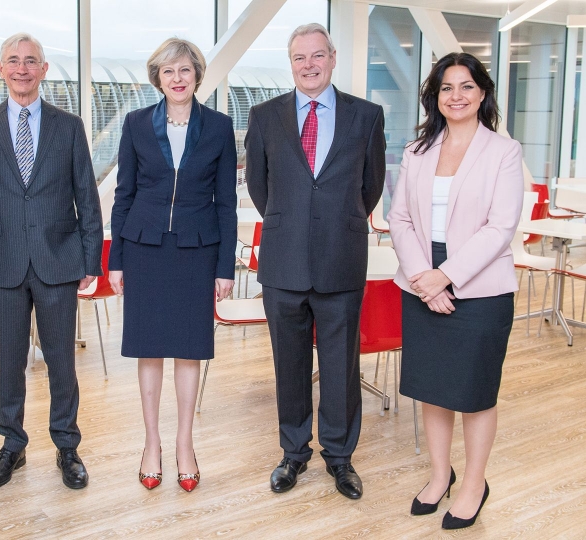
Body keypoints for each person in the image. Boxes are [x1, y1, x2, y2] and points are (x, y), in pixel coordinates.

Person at [245, 23, 386, 500]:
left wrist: (333, 220)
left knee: (341, 364)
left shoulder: (366, 116)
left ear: (331, 57)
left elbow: (371, 187)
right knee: (288, 364)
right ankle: (293, 452)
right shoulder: (264, 116)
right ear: (291, 64)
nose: (309, 64)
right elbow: (260, 187)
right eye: (300, 58)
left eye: (317, 55)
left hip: (341, 260)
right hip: (284, 262)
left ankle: (340, 458)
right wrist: (293, 220)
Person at [0, 32, 103, 491]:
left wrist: (90, 259)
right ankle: (12, 445)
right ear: (0, 69)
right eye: (13, 61)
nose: (22, 68)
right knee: (11, 357)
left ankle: (67, 444)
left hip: (59, 260)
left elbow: (87, 195)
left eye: (31, 61)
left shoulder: (69, 126)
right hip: (2, 264)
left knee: (62, 360)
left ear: (43, 70)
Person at [387, 52, 522, 530]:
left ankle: (473, 485)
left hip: (480, 288)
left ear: (482, 93)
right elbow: (398, 218)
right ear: (435, 96)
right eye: (447, 88)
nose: (456, 96)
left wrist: (447, 276)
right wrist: (425, 276)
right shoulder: (418, 150)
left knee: (475, 393)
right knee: (432, 388)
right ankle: (440, 475)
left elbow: (500, 226)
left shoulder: (503, 152)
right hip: (422, 280)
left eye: (466, 86)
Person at [107, 38, 237, 492]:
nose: (177, 78)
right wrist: (115, 260)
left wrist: (226, 267)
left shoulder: (219, 127)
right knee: (149, 348)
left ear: (197, 74)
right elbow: (124, 194)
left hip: (197, 250)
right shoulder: (137, 123)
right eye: (168, 71)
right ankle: (151, 444)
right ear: (157, 78)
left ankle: (185, 443)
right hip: (143, 249)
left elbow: (227, 204)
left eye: (184, 69)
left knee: (189, 348)